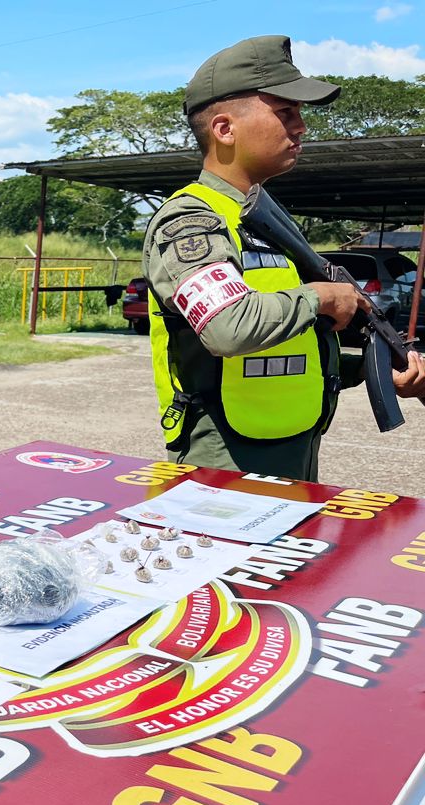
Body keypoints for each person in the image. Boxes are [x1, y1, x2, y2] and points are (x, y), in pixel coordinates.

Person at [143, 35, 425, 481]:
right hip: (226, 465)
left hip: (293, 453)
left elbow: (287, 354)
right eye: (285, 112)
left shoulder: (263, 223)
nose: (301, 127)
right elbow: (228, 327)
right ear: (224, 129)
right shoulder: (193, 221)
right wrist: (323, 297)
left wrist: (373, 371)